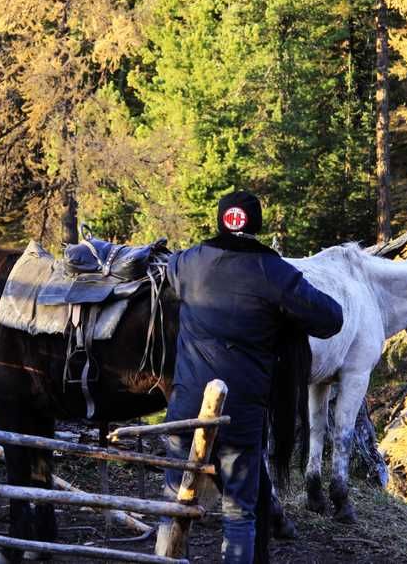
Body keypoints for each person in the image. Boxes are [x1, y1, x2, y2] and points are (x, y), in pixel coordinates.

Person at [155, 191, 344, 563]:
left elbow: (166, 283)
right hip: (240, 415)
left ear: (220, 220)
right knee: (239, 511)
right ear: (256, 225)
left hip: (186, 406)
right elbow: (331, 318)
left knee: (173, 499)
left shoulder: (188, 263)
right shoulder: (274, 273)